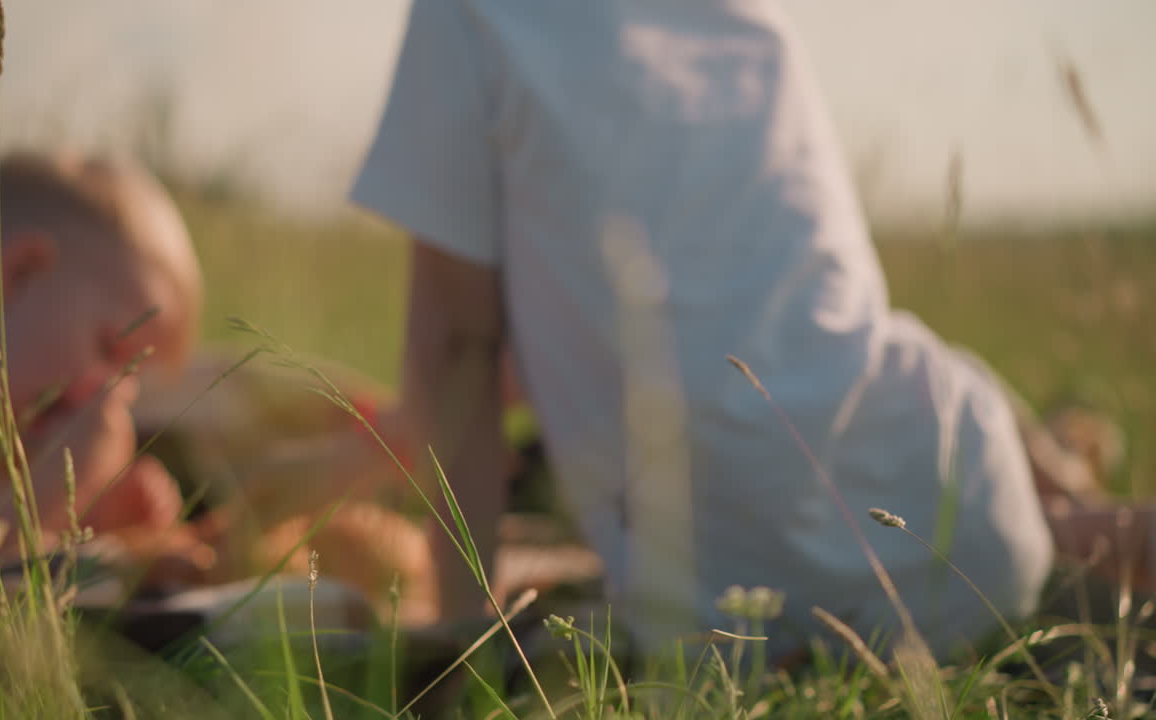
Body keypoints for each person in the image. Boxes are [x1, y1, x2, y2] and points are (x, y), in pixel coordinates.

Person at [347, 0, 1155, 659]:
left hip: (719, 611)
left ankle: (1074, 512)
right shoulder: (751, 19)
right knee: (949, 429)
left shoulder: (472, 17)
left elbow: (458, 346)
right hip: (972, 530)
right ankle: (1078, 511)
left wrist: (463, 635)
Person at [0, 150, 202, 563]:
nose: (112, 393)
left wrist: (85, 511)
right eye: (109, 348)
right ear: (19, 273)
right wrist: (45, 495)